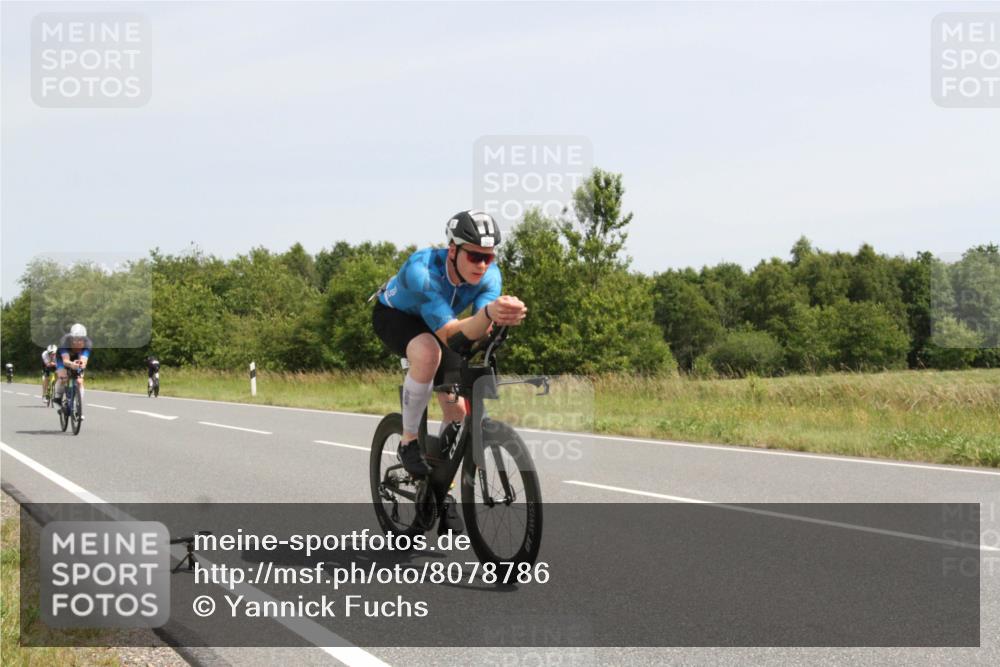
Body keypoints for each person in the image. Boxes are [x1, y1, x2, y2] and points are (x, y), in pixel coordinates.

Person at [371, 210, 527, 478]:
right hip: (396, 316)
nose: (482, 265)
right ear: (453, 250)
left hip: (444, 323)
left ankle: (441, 486)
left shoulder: (490, 277)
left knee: (457, 411)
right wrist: (488, 313)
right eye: (475, 256)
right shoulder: (422, 271)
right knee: (428, 353)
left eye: (488, 257)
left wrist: (496, 315)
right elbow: (451, 335)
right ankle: (408, 442)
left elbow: (475, 335)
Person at [53, 323, 92, 415]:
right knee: (63, 377)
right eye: (75, 339)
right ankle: (57, 398)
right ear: (71, 338)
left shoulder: (88, 344)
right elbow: (66, 361)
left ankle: (79, 406)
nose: (78, 342)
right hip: (62, 358)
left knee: (79, 381)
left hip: (76, 358)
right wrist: (71, 364)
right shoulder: (64, 342)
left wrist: (80, 365)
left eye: (81, 339)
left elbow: (83, 360)